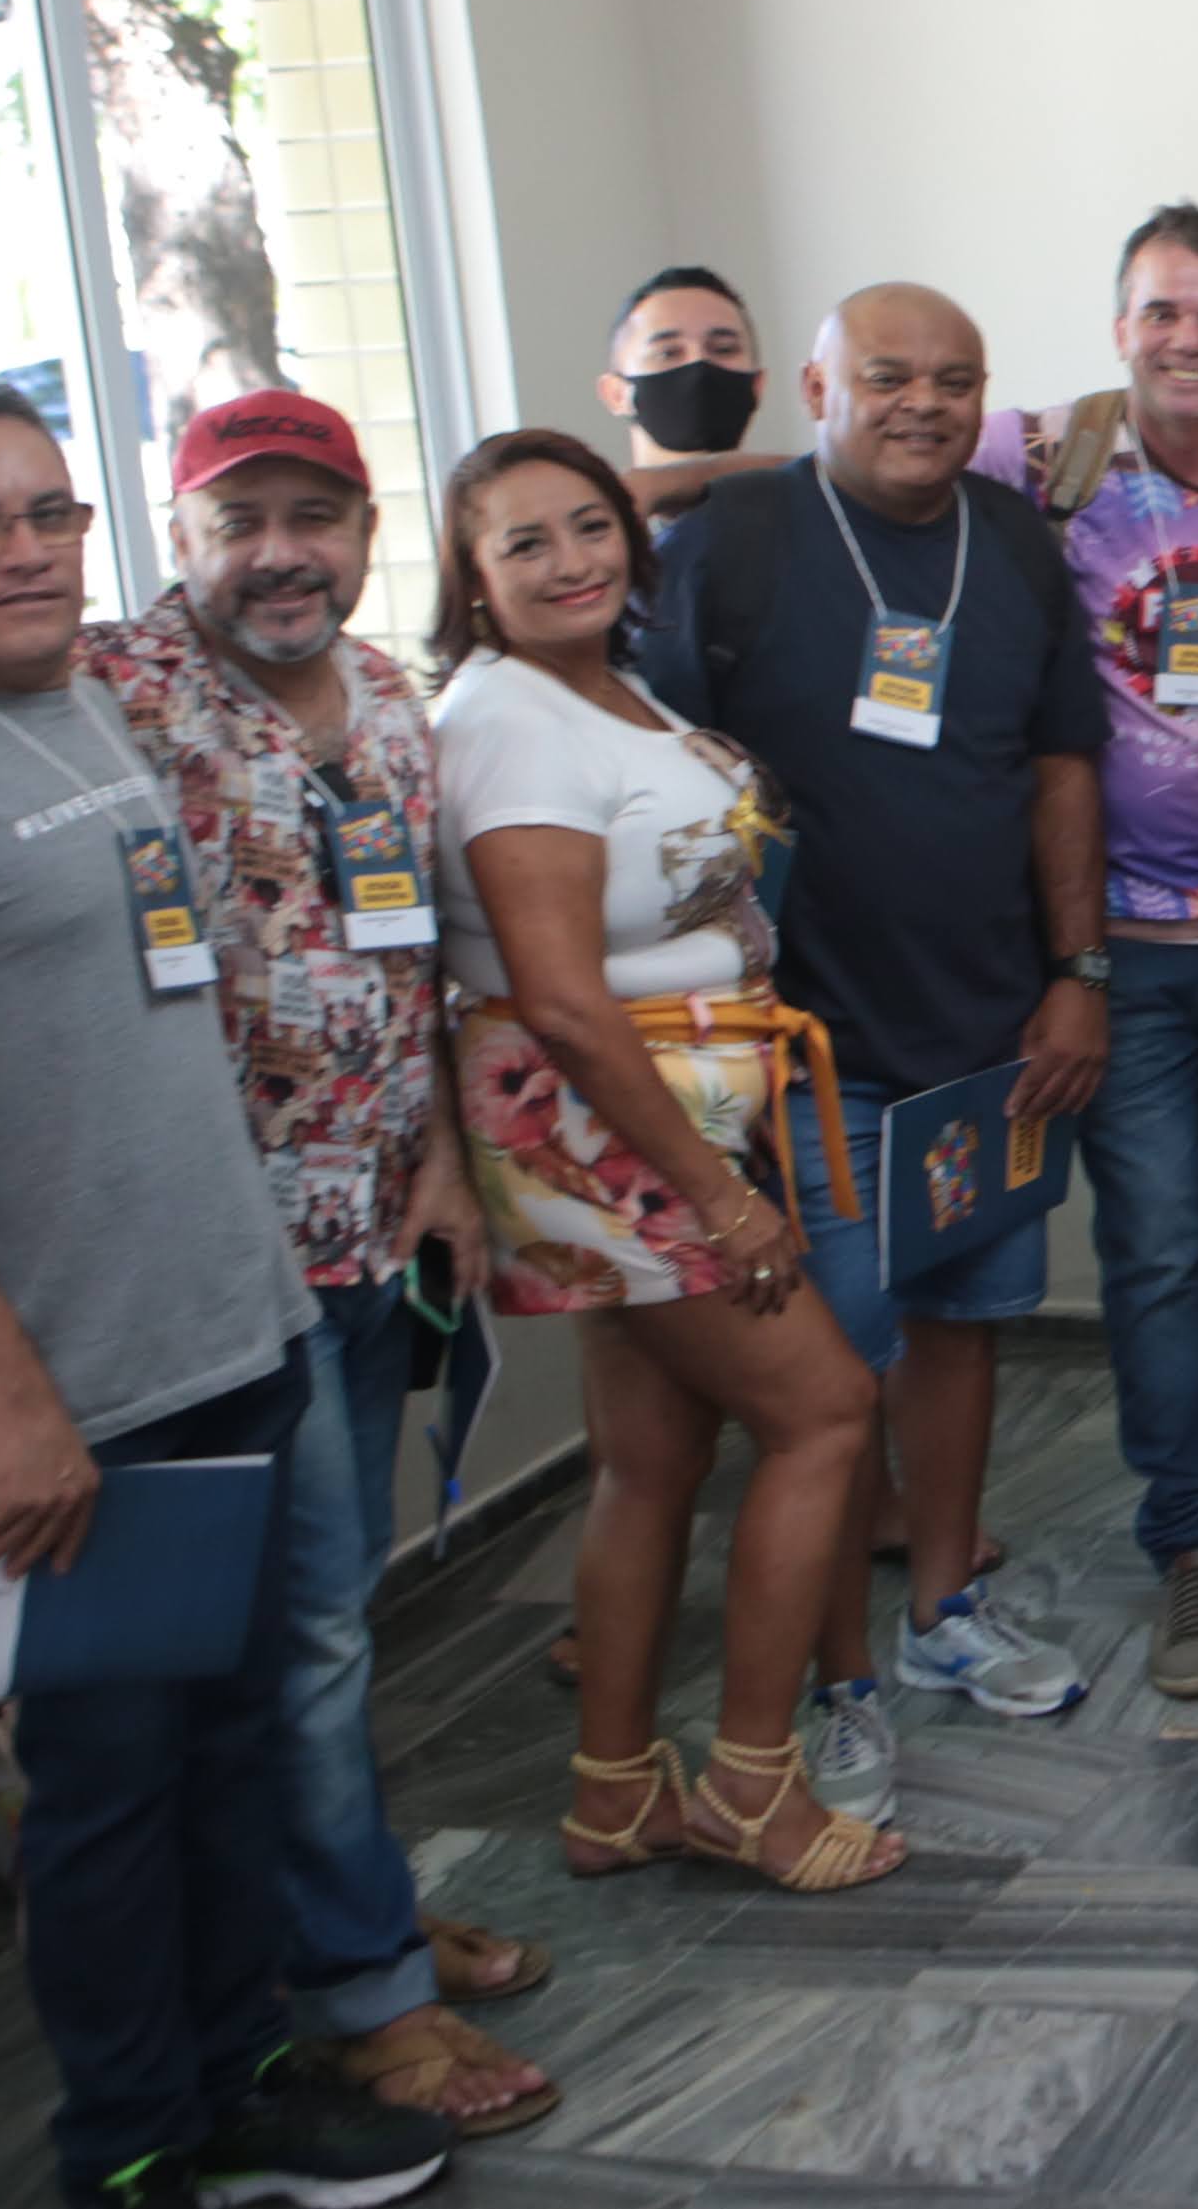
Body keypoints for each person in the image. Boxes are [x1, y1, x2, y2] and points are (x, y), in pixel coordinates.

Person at [0, 395, 559, 2132]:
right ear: (177, 541)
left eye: (314, 515)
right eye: (236, 519)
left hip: (338, 1253)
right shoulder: (110, 682)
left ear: (365, 530)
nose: (281, 553)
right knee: (252, 1677)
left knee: (304, 1645)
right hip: (179, 1280)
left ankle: (333, 1928)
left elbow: (407, 959)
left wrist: (440, 1153)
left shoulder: (389, 699)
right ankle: (344, 1992)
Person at [430, 430, 905, 1895]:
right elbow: (562, 999)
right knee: (825, 1412)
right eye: (525, 543)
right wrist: (714, 1191)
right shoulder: (509, 721)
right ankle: (753, 1783)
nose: (570, 560)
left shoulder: (603, 687)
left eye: (591, 526)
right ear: (470, 576)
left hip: (668, 1104)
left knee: (650, 1461)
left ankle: (616, 1791)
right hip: (602, 1128)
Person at [643, 284, 1108, 1735]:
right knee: (833, 1377)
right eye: (889, 376)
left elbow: (1062, 770)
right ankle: (835, 1677)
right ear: (816, 387)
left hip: (989, 1032)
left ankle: (942, 1616)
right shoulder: (735, 541)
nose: (925, 404)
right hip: (806, 1044)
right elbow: (660, 772)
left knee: (963, 1330)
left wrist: (1078, 974)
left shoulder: (1015, 542)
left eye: (955, 380)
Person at [972, 206, 1198, 1698]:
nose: (1190, 338)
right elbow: (846, 456)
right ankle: (1191, 1539)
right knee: (1160, 1243)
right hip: (1111, 944)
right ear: (1120, 323)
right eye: (1164, 311)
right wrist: (641, 481)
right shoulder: (1041, 454)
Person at [600, 265, 774, 517]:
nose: (698, 364)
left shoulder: (807, 507)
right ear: (615, 394)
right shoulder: (596, 527)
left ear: (757, 386)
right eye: (668, 353)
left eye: (724, 349)